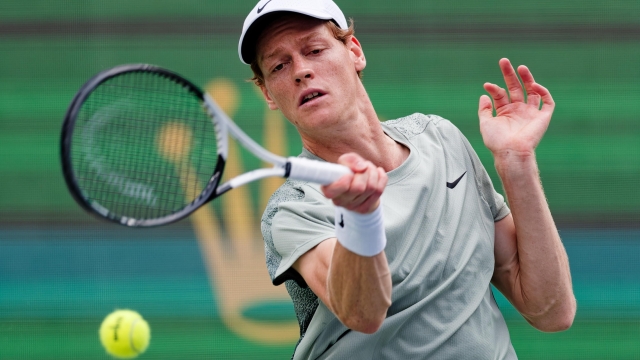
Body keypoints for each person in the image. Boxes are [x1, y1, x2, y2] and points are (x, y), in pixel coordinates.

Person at [238, 0, 576, 358]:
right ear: (268, 93)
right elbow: (362, 314)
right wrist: (360, 218)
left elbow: (551, 311)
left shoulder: (440, 138)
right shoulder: (292, 209)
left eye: (315, 49)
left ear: (354, 52)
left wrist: (516, 162)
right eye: (279, 65)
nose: (301, 71)